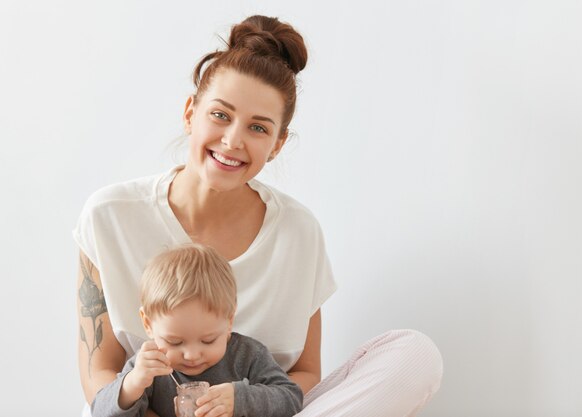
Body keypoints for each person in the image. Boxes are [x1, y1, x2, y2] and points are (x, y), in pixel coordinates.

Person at [74, 14, 443, 417]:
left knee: (415, 354)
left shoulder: (298, 233)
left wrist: (244, 403)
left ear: (278, 143)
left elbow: (304, 374)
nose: (233, 141)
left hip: (267, 412)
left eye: (258, 128)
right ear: (190, 112)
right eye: (220, 115)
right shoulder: (110, 215)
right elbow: (100, 371)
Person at [91, 244, 302, 417]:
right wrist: (132, 385)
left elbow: (291, 398)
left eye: (209, 340)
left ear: (229, 320)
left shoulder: (248, 355)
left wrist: (241, 399)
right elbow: (99, 411)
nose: (192, 355)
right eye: (174, 341)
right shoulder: (148, 367)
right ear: (147, 323)